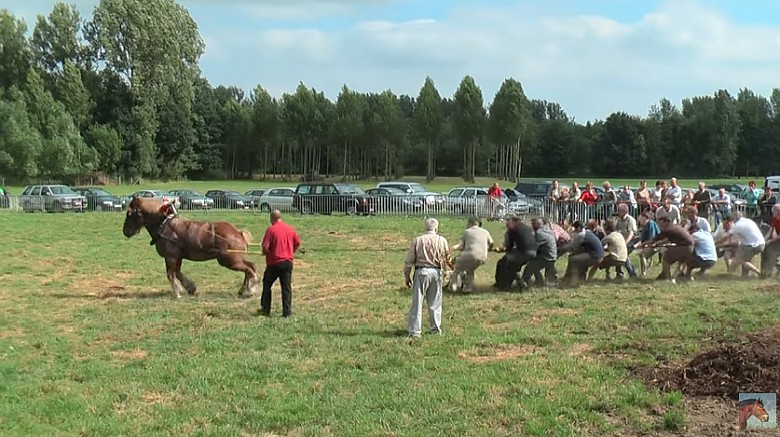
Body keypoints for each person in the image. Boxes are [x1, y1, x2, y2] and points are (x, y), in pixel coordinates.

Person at [403, 217, 451, 338]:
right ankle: (435, 329)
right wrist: (447, 271)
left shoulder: (418, 240)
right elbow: (447, 258)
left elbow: (409, 260)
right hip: (436, 272)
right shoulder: (442, 240)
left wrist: (407, 275)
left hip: (421, 271)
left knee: (417, 302)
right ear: (437, 227)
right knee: (435, 302)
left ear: (425, 227)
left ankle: (415, 331)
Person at [260, 210, 301, 318]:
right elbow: (297, 243)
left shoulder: (271, 230)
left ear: (272, 218)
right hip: (287, 262)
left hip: (274, 263)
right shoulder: (290, 229)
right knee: (286, 287)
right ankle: (287, 312)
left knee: (267, 284)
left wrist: (264, 253)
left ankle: (265, 309)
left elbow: (265, 247)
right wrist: (290, 252)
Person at [449, 217, 494, 293]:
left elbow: (460, 246)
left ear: (470, 223)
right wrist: (488, 248)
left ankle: (453, 287)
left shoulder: (468, 232)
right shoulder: (485, 232)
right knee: (470, 269)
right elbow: (491, 242)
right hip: (482, 257)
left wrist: (451, 249)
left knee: (457, 269)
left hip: (470, 255)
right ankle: (468, 288)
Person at [645, 216, 695, 281]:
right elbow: (668, 239)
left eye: (661, 223)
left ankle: (667, 277)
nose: (659, 225)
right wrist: (657, 244)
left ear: (666, 222)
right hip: (691, 248)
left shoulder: (668, 229)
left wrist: (642, 244)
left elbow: (654, 240)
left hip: (684, 247)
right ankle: (680, 276)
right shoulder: (676, 227)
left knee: (666, 259)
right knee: (682, 262)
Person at [493, 217, 537, 290]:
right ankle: (510, 284)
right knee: (513, 265)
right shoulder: (526, 227)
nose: (507, 225)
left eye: (508, 223)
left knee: (503, 263)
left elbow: (509, 246)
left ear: (513, 222)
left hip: (524, 252)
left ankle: (513, 284)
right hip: (534, 252)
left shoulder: (513, 229)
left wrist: (504, 251)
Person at [558, 220, 604, 287]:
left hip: (594, 257)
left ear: (579, 228)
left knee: (573, 259)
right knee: (579, 259)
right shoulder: (587, 232)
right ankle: (576, 279)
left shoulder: (581, 235)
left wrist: (560, 248)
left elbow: (572, 246)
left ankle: (574, 282)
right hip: (599, 255)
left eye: (575, 229)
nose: (575, 231)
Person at [723, 212, 765, 277]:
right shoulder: (748, 221)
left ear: (735, 218)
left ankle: (759, 273)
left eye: (732, 218)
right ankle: (742, 274)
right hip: (761, 243)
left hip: (753, 245)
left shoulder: (738, 225)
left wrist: (716, 243)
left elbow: (726, 237)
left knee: (742, 260)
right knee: (741, 256)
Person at [521, 218, 558, 287]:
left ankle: (524, 283)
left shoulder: (539, 233)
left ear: (537, 224)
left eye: (533, 224)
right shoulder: (548, 230)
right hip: (552, 255)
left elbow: (532, 246)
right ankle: (539, 281)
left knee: (529, 267)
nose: (531, 226)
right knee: (534, 263)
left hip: (546, 257)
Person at [635, 211, 661, 277]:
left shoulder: (650, 224)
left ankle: (643, 272)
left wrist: (642, 245)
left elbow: (651, 239)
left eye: (641, 218)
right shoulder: (645, 226)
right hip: (650, 244)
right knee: (642, 253)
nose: (639, 220)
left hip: (657, 244)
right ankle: (645, 268)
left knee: (643, 254)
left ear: (645, 218)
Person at [760, 204, 780, 278]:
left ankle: (771, 270)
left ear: (778, 212)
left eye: (773, 212)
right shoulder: (774, 218)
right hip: (777, 239)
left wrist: (770, 240)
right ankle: (764, 271)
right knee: (764, 249)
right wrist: (764, 240)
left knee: (772, 253)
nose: (772, 213)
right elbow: (771, 230)